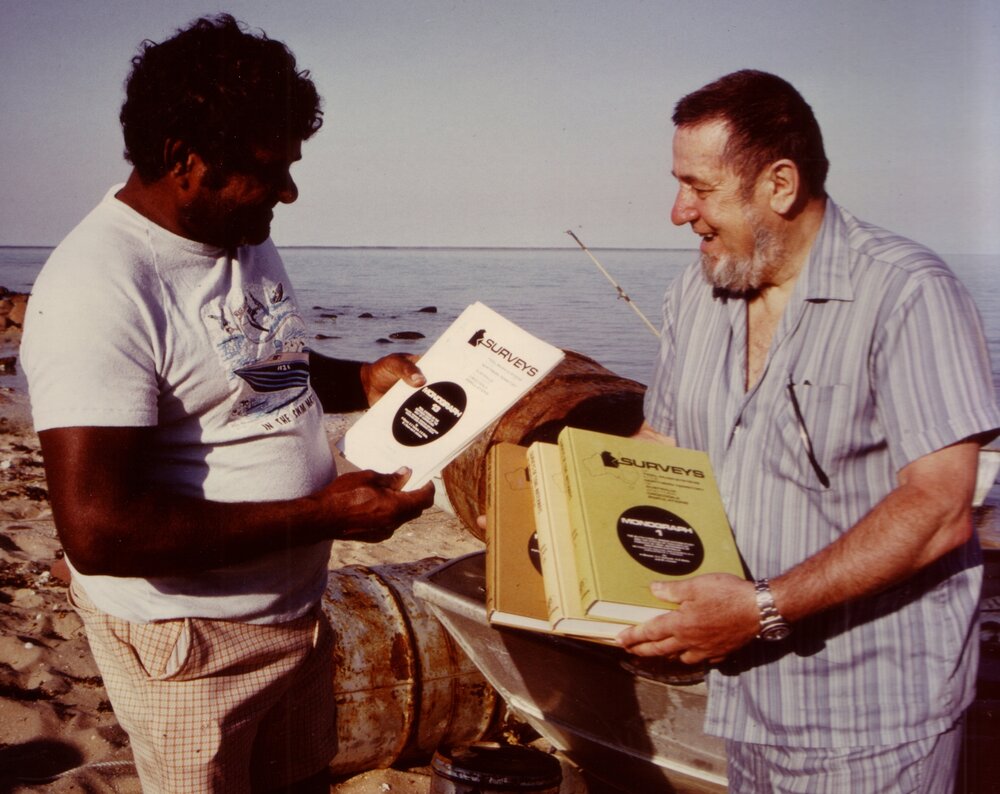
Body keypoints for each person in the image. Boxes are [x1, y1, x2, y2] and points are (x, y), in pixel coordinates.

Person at [21, 15, 434, 793]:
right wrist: (327, 517)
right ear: (186, 162)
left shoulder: (236, 232)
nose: (289, 190)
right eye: (268, 169)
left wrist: (362, 378)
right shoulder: (98, 289)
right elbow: (99, 532)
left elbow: (260, 365)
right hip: (189, 646)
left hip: (294, 620)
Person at [617, 69, 1000, 792]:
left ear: (781, 184)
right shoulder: (695, 292)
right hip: (747, 703)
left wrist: (758, 610)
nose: (677, 212)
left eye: (699, 188)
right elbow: (660, 449)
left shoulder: (910, 291)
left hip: (875, 721)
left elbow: (940, 509)